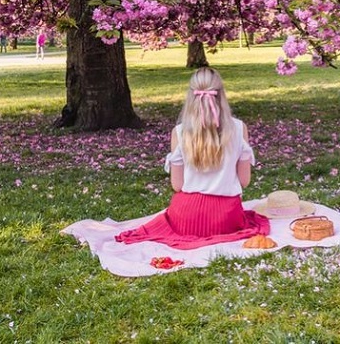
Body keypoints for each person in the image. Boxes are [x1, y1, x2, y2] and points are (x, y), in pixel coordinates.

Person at [115, 67, 269, 249]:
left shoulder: (179, 133)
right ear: (221, 95)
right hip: (226, 217)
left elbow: (177, 186)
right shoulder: (239, 128)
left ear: (191, 96)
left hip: (185, 218)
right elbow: (244, 181)